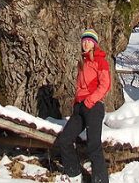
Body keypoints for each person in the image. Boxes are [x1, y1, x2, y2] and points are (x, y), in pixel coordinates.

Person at [54, 28, 111, 183]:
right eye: (84, 41)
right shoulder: (82, 62)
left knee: (94, 146)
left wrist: (90, 100)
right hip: (79, 108)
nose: (85, 44)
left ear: (94, 44)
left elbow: (105, 84)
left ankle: (100, 180)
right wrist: (76, 105)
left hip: (93, 107)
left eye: (89, 41)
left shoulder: (100, 61)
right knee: (65, 139)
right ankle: (74, 174)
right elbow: (79, 89)